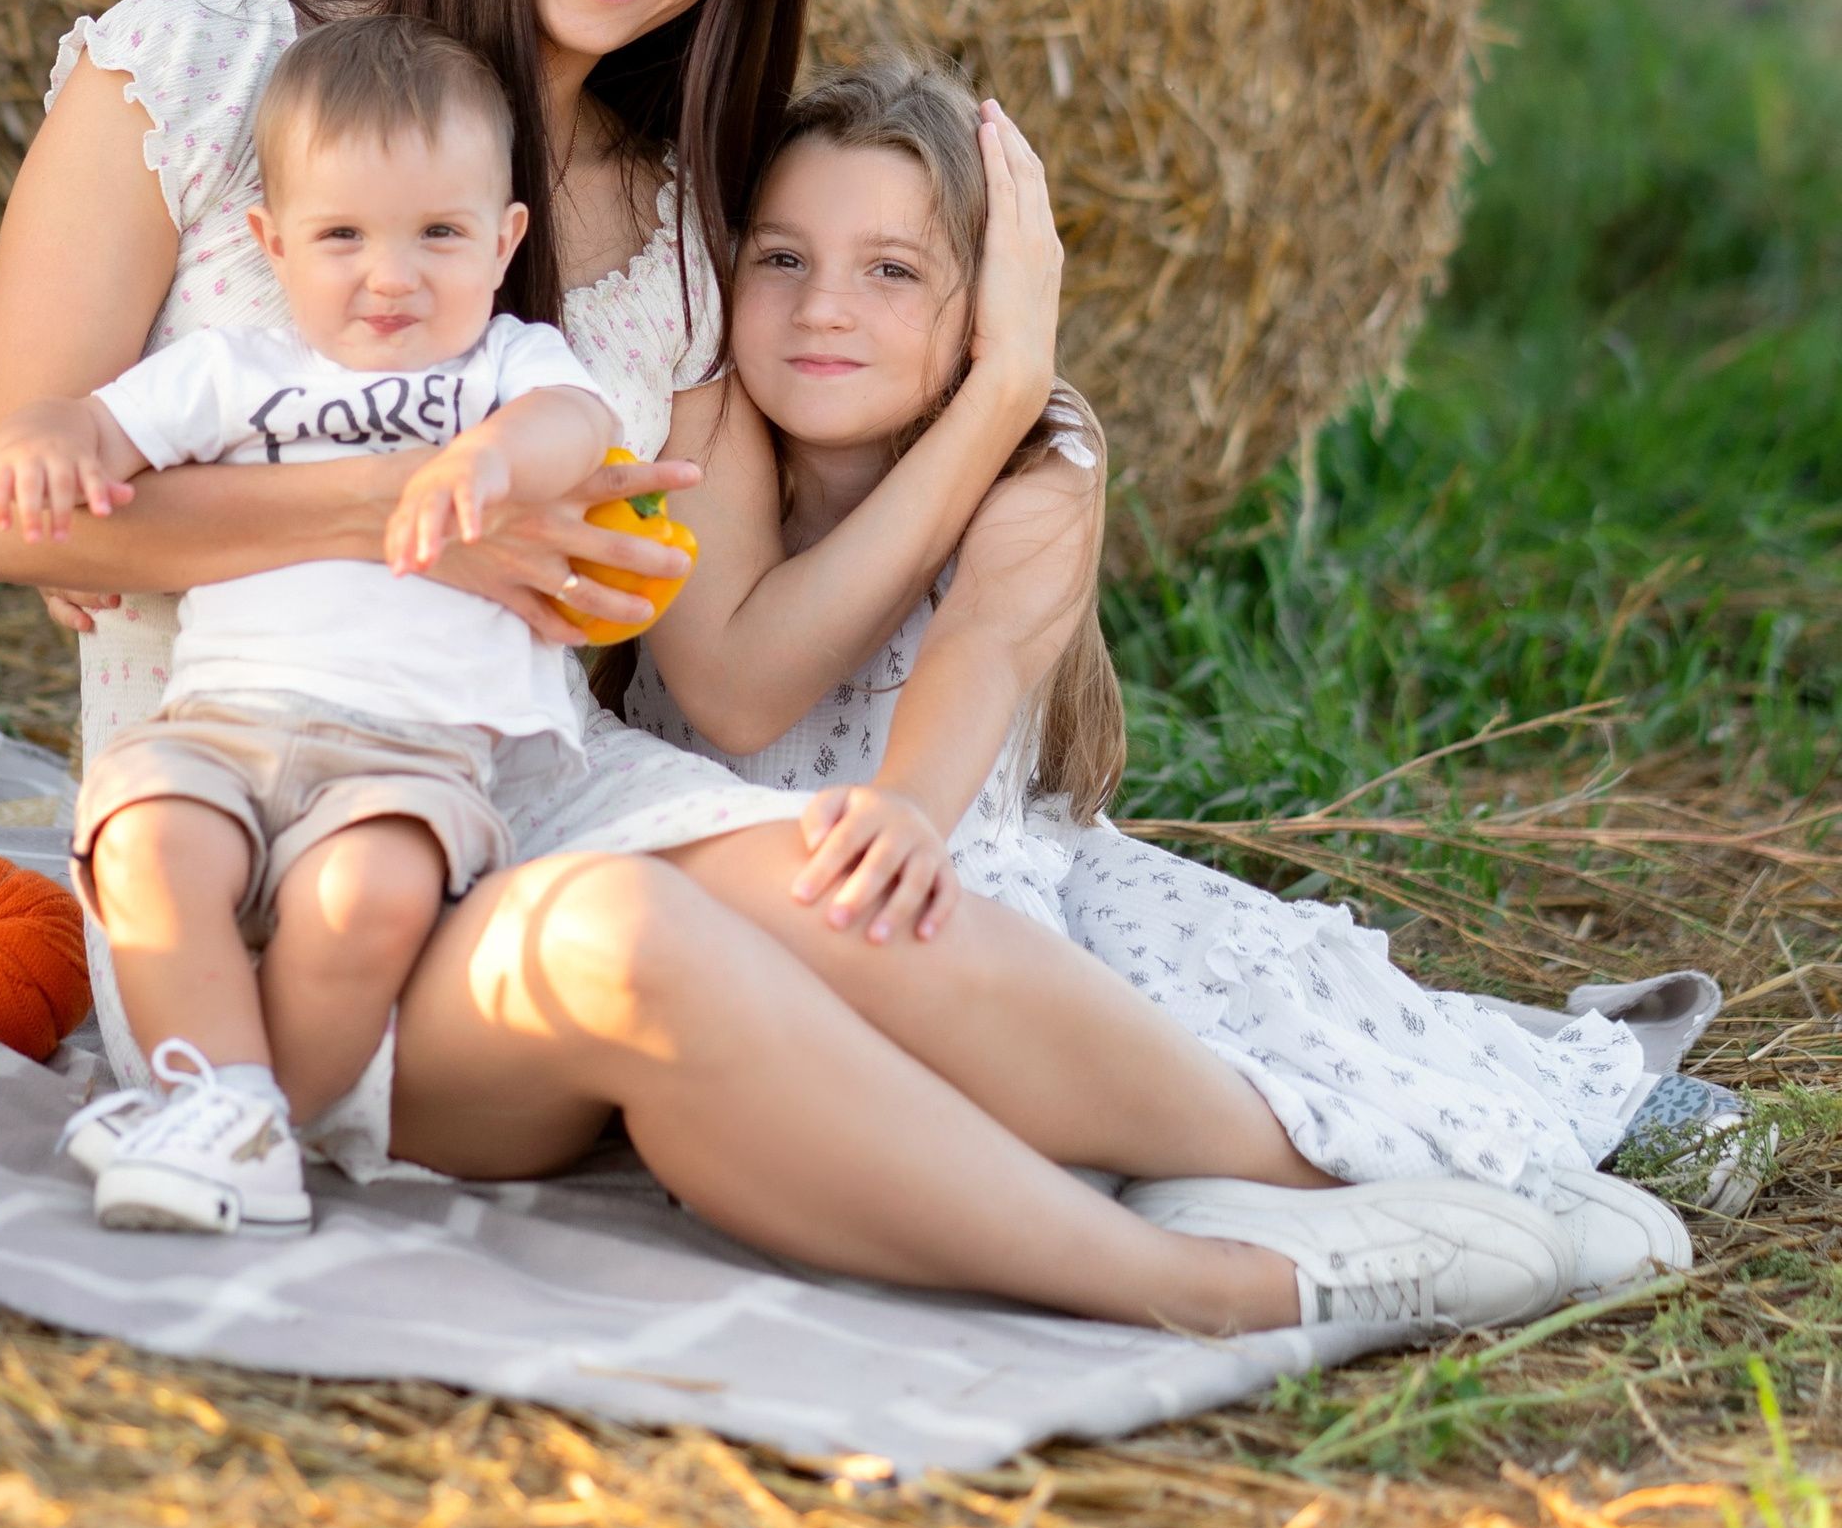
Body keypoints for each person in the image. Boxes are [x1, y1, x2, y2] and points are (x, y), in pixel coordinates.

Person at [0, 0, 1583, 1345]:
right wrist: (406, 514)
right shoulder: (198, 74)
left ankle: (1351, 1171)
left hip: (507, 787)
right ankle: (1216, 1287)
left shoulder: (680, 236)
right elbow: (7, 508)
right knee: (632, 936)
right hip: (233, 851)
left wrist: (1000, 393)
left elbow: (719, 672)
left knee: (846, 881)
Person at [620, 62, 1686, 1291]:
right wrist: (997, 381)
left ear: (994, 301)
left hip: (952, 860)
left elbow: (981, 647)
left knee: (1261, 1029)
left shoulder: (1039, 455)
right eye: (782, 258)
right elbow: (737, 688)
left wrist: (907, 805)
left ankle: (1443, 1179)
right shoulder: (701, 426)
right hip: (737, 878)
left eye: (892, 271)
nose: (821, 309)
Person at [0, 14, 619, 1236]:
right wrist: (48, 440)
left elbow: (578, 426)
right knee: (146, 842)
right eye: (342, 237)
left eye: (439, 235)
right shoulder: (239, 372)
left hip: (406, 755)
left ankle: (248, 1127)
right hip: (220, 727)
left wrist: (492, 460)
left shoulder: (503, 371)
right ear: (272, 243)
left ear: (504, 241)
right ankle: (226, 1110)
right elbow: (100, 430)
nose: (392, 277)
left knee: (364, 901)